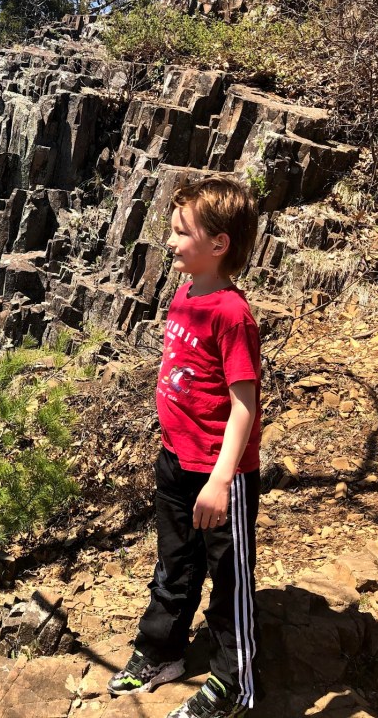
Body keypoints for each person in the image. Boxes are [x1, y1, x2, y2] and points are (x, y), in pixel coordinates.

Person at [107, 177, 262, 718]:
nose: (169, 241)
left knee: (229, 581)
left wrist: (221, 480)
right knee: (174, 564)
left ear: (219, 243)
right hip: (175, 461)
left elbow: (244, 406)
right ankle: (162, 650)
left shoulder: (232, 314)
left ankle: (234, 684)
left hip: (221, 474)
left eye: (181, 232)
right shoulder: (185, 293)